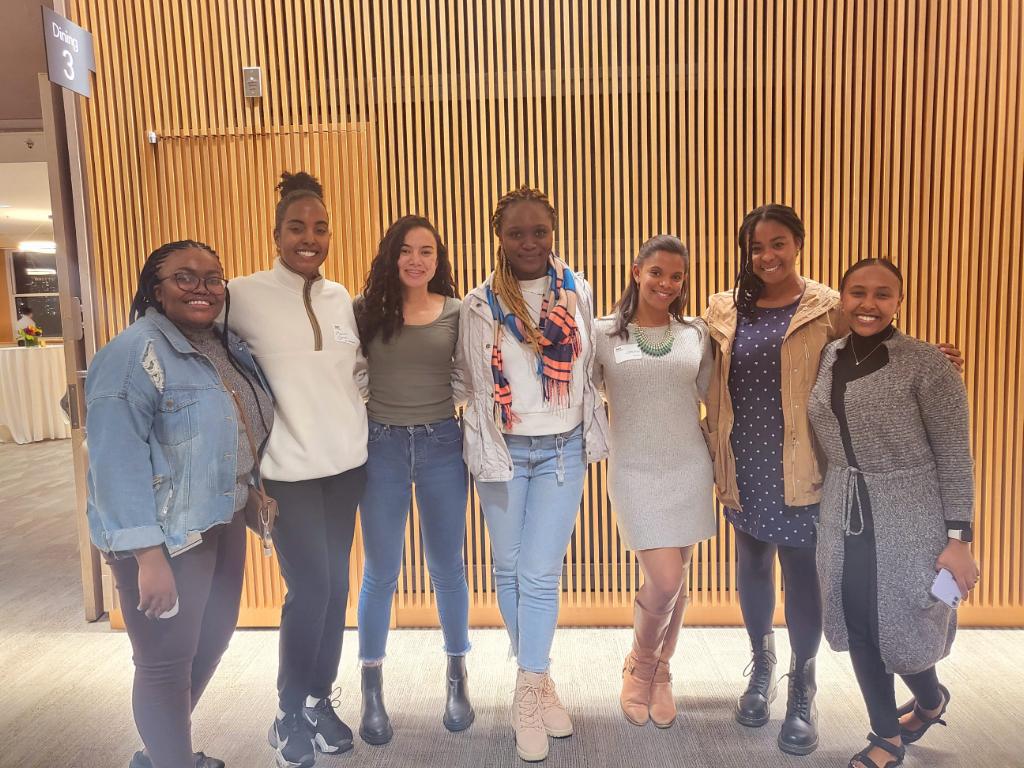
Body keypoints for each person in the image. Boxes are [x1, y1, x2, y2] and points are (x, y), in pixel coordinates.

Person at [703, 204, 962, 756]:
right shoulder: (724, 309)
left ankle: (803, 683)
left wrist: (932, 356)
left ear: (798, 242)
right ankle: (761, 668)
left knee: (802, 575)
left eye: (778, 243)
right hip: (743, 457)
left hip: (807, 465)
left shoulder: (826, 305)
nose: (767, 256)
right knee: (750, 562)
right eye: (755, 247)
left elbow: (877, 343)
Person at [85, 240, 273, 768]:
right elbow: (113, 461)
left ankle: (161, 754)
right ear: (154, 288)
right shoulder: (131, 354)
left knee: (211, 640)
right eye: (185, 278)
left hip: (221, 515)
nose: (203, 288)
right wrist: (146, 556)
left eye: (213, 278)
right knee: (165, 664)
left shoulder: (224, 344)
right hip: (163, 535)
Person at [459, 185, 608, 762]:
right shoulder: (478, 305)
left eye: (538, 231)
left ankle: (527, 687)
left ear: (554, 232)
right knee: (510, 568)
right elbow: (468, 380)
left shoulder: (577, 292)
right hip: (503, 451)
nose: (528, 242)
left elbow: (592, 361)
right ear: (499, 236)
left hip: (562, 449)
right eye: (516, 232)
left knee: (541, 571)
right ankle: (538, 683)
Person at [808, 259, 977, 768]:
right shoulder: (830, 355)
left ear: (899, 302)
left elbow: (954, 453)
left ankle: (929, 700)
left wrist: (959, 537)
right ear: (842, 298)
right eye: (858, 292)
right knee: (859, 621)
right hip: (842, 507)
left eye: (883, 294)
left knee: (903, 625)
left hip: (911, 512)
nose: (869, 304)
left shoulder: (927, 363)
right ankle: (886, 735)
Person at [227, 172, 367, 768]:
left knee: (336, 589)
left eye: (319, 227)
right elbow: (215, 367)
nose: (308, 238)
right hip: (285, 472)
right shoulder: (242, 294)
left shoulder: (340, 299)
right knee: (308, 588)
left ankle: (317, 699)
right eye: (296, 227)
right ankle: (286, 712)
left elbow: (355, 372)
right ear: (276, 232)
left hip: (347, 466)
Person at [353, 215, 474, 744]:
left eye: (427, 251)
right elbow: (353, 371)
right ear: (391, 256)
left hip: (442, 445)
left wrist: (443, 406)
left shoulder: (456, 310)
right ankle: (371, 686)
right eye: (406, 250)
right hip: (379, 448)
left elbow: (468, 375)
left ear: (438, 258)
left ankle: (457, 675)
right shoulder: (365, 311)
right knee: (381, 570)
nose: (416, 260)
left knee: (448, 567)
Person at [593, 235, 716, 729]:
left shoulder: (696, 334)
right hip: (635, 471)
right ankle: (640, 664)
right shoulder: (604, 333)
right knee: (663, 580)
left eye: (677, 276)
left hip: (689, 465)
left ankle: (661, 673)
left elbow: (719, 392)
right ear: (635, 271)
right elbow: (577, 388)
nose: (666, 283)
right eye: (657, 273)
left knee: (676, 581)